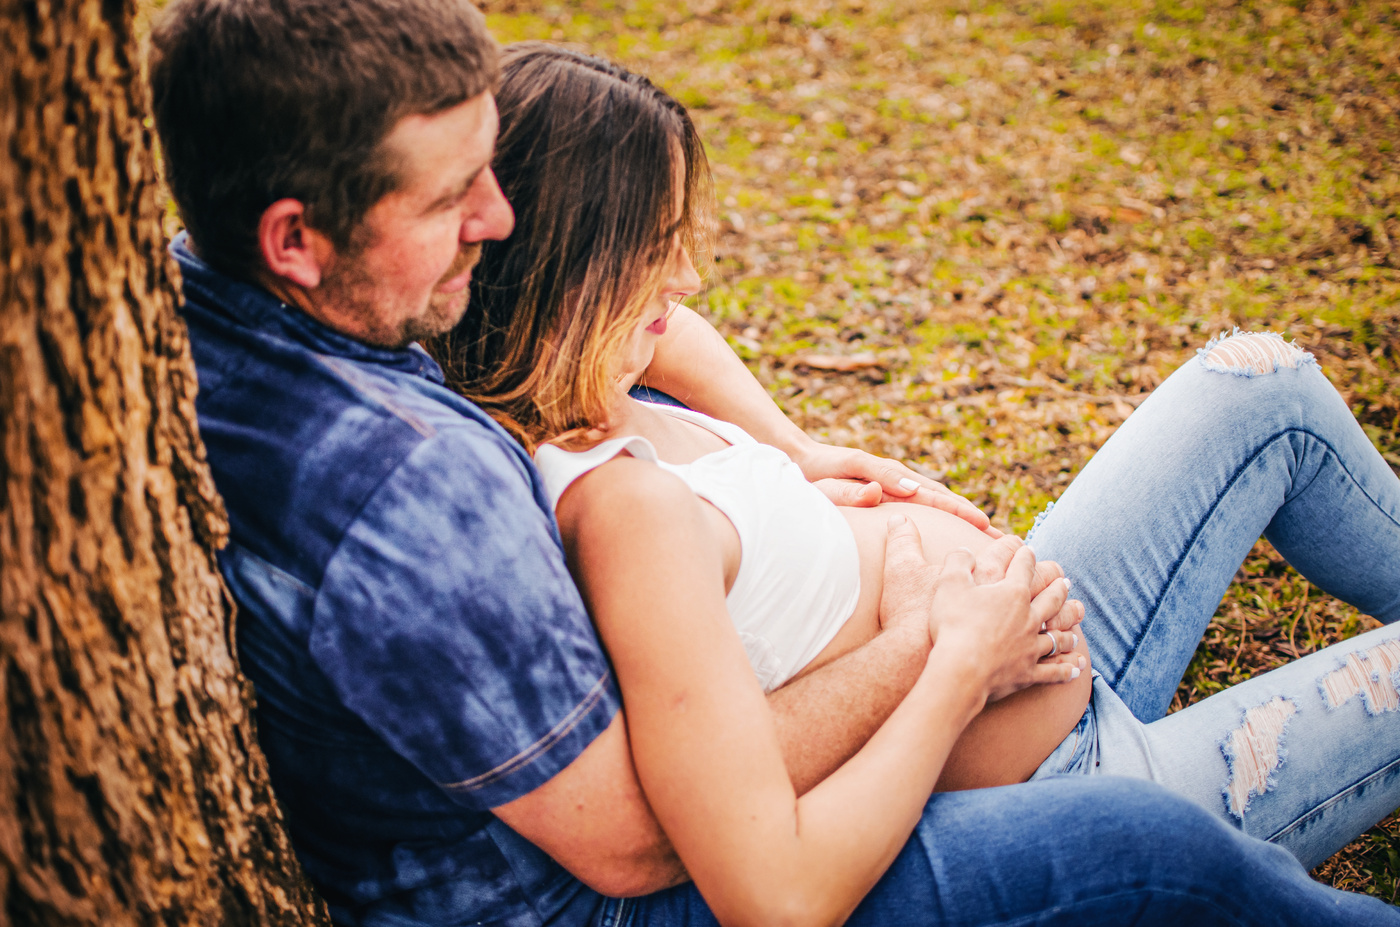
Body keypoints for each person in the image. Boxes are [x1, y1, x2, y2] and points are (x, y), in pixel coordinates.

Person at [146, 0, 1399, 925]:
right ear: (297, 239)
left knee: (1257, 385)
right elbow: (674, 843)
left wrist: (796, 450)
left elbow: (652, 321)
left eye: (491, 174)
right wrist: (943, 652)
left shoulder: (357, 303)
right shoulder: (439, 491)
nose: (494, 216)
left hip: (1014, 655)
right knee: (1155, 843)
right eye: (452, 199)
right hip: (1031, 740)